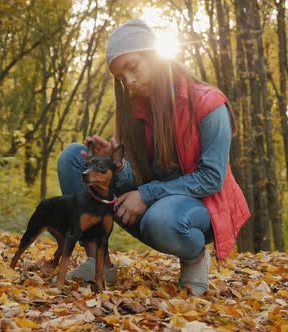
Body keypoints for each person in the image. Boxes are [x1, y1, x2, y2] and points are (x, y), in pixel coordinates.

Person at [56, 19, 250, 295]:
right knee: (74, 158)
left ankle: (195, 259)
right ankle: (99, 263)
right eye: (122, 78)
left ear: (156, 56)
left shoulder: (209, 103)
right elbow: (134, 176)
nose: (130, 81)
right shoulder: (133, 111)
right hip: (153, 200)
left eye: (133, 68)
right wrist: (113, 165)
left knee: (159, 220)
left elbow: (212, 179)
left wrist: (147, 194)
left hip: (198, 207)